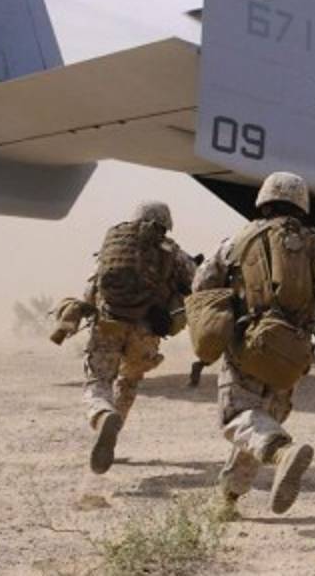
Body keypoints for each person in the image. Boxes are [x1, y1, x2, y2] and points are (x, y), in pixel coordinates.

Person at [193, 172, 315, 517]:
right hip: (294, 350)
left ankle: (283, 453)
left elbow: (202, 284)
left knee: (238, 418)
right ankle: (229, 498)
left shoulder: (237, 240)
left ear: (264, 200)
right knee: (261, 423)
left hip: (247, 344)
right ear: (302, 204)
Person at [78, 201, 196, 474]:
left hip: (108, 323)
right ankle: (114, 428)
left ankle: (102, 415)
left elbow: (93, 286)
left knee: (99, 380)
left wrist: (87, 313)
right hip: (145, 331)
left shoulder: (114, 244)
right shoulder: (172, 251)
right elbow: (196, 282)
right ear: (165, 223)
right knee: (129, 381)